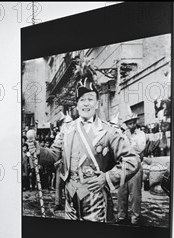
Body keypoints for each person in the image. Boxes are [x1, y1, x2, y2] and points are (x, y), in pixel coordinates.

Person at [28, 77, 140, 222]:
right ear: (77, 104)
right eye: (82, 99)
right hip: (70, 197)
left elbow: (132, 161)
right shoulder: (67, 129)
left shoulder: (109, 131)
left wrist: (106, 178)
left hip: (95, 198)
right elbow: (54, 154)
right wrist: (39, 151)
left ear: (97, 104)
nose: (86, 103)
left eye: (90, 99)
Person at [117, 113, 146, 225]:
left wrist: (130, 140)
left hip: (136, 166)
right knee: (121, 194)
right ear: (126, 124)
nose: (132, 125)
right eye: (129, 123)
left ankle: (135, 219)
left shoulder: (141, 134)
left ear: (136, 122)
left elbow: (140, 148)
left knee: (135, 195)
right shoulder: (123, 134)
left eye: (133, 122)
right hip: (124, 166)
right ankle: (121, 217)